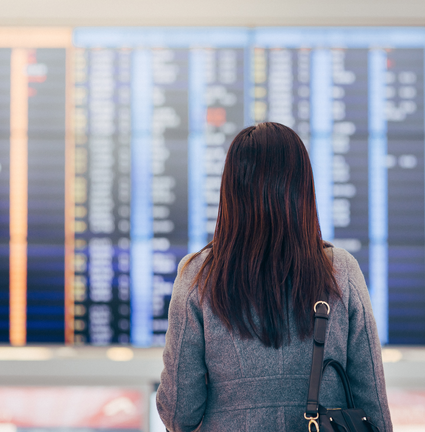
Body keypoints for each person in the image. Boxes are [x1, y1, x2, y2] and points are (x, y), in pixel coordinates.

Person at [156, 122, 392, 432]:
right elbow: (373, 405)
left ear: (230, 190)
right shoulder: (339, 271)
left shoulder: (198, 277)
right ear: (302, 189)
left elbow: (179, 414)